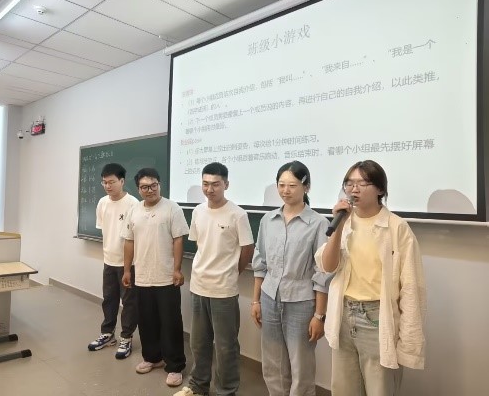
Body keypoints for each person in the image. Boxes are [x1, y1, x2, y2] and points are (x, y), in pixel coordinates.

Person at [315, 160, 426, 396]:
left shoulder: (397, 227)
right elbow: (327, 266)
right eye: (349, 183)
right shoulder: (344, 223)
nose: (353, 189)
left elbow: (410, 287)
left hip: (376, 318)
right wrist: (338, 228)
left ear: (380, 189)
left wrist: (408, 340)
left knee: (379, 389)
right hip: (344, 313)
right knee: (343, 388)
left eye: (362, 183)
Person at [174, 162, 254, 396]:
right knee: (198, 343)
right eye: (205, 184)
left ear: (226, 185)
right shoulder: (198, 211)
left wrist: (232, 272)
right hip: (199, 285)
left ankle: (226, 391)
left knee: (226, 346)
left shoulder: (238, 214)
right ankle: (197, 386)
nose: (209, 189)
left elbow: (247, 249)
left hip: (224, 290)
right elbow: (200, 244)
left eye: (215, 184)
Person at [251, 161, 330, 396]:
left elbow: (323, 273)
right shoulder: (268, 220)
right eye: (281, 185)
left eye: (292, 185)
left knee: (301, 365)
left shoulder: (318, 223)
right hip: (269, 297)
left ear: (306, 187)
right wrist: (255, 300)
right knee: (273, 363)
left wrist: (319, 315)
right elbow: (260, 263)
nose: (285, 191)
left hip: (302, 303)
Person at [122, 168, 189, 388]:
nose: (149, 190)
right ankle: (152, 357)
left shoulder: (172, 208)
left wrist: (177, 269)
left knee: (170, 322)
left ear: (159, 185)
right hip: (142, 275)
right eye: (144, 187)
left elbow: (178, 239)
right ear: (138, 189)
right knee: (146, 320)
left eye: (153, 185)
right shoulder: (134, 210)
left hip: (166, 276)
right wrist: (127, 270)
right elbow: (129, 241)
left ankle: (175, 366)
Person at [87, 163, 139, 359]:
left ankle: (126, 337)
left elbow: (136, 236)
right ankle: (108, 334)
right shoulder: (102, 203)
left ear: (122, 181)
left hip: (128, 263)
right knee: (109, 299)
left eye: (111, 182)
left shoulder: (133, 204)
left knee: (129, 303)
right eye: (104, 182)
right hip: (109, 260)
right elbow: (106, 230)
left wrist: (128, 266)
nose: (107, 186)